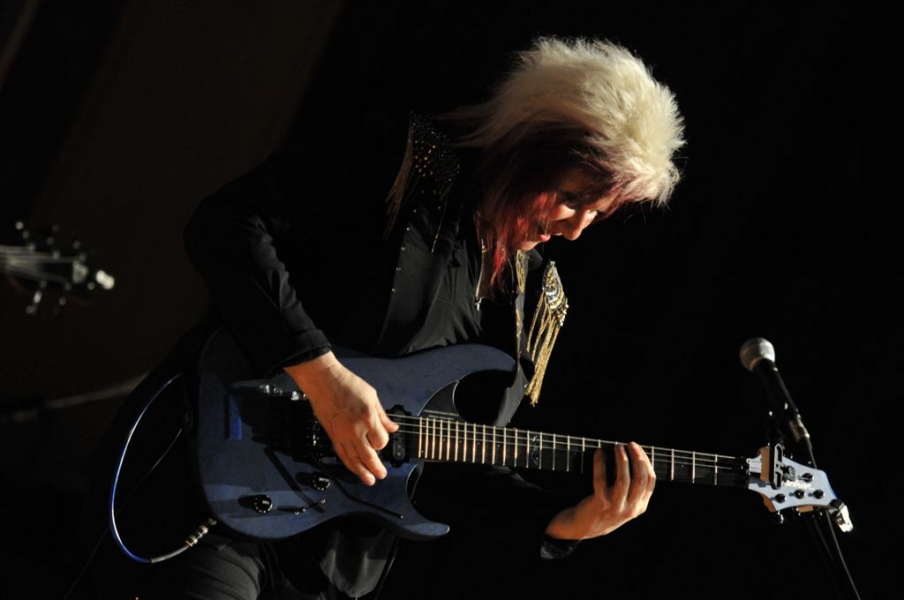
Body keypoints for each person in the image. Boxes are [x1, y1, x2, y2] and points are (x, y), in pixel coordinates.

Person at [80, 35, 685, 599]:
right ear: (526, 150)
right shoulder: (401, 167)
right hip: (212, 486)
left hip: (336, 562)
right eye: (572, 198)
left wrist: (569, 522)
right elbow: (226, 225)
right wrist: (321, 375)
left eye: (597, 215)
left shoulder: (535, 298)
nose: (576, 229)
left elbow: (448, 468)